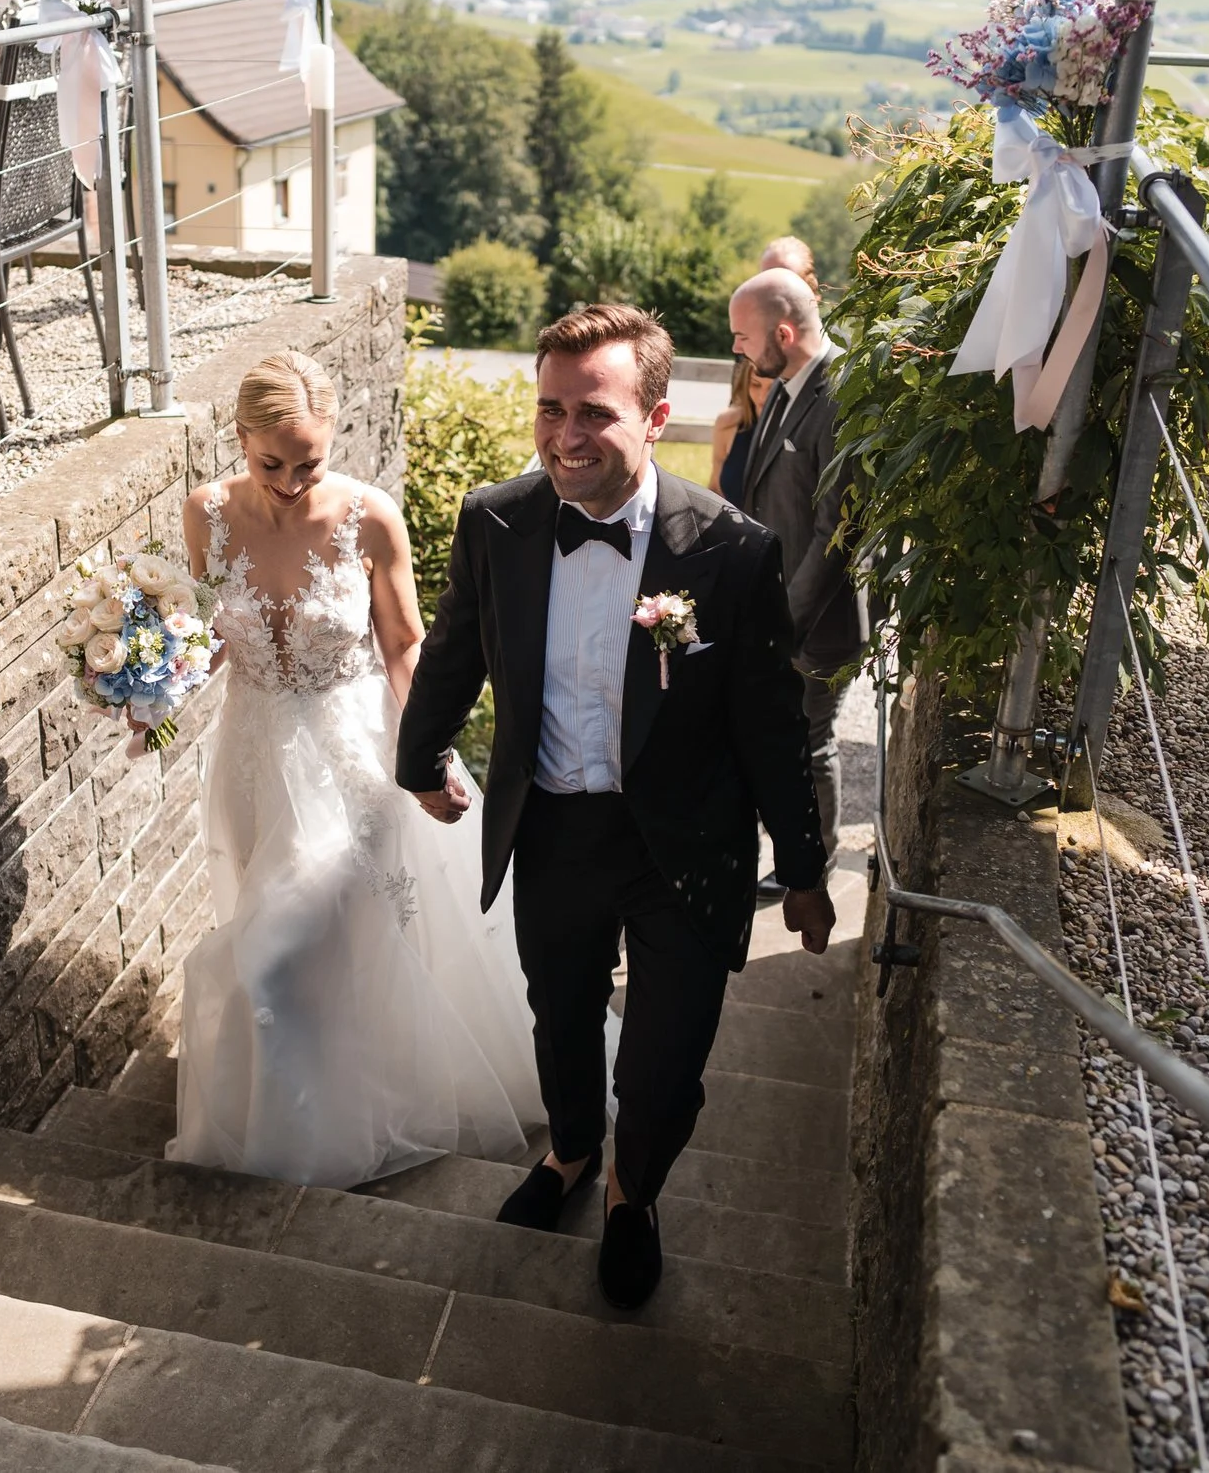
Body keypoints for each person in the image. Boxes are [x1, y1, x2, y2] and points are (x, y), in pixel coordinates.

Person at [396, 303, 833, 1312]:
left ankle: (635, 1192)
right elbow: (457, 648)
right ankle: (573, 1152)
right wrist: (418, 754)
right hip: (551, 825)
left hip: (685, 841)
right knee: (559, 1016)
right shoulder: (495, 520)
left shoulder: (732, 551)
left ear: (656, 415)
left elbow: (772, 722)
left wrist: (804, 870)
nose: (564, 436)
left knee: (667, 1057)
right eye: (549, 409)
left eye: (592, 412)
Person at [165, 350, 543, 1190]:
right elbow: (209, 636)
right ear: (239, 439)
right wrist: (147, 684)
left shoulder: (370, 519)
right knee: (312, 952)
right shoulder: (206, 514)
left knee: (276, 955)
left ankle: (308, 1141)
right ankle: (320, 1099)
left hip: (351, 762)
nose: (293, 481)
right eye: (272, 463)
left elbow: (404, 645)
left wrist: (429, 754)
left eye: (312, 462)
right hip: (253, 759)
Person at [727, 269, 863, 885]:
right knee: (772, 736)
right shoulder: (784, 386)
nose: (737, 349)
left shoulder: (839, 395)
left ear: (783, 331)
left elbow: (841, 529)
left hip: (816, 623)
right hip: (776, 611)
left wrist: (784, 623)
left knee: (807, 744)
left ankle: (809, 866)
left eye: (743, 336)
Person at [709, 357, 775, 506]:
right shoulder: (727, 424)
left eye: (772, 387)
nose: (762, 397)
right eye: (755, 385)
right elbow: (715, 490)